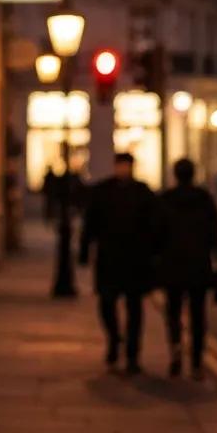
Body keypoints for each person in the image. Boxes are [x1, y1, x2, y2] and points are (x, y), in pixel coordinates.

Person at [81, 152, 157, 375]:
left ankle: (133, 354)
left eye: (127, 165)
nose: (123, 169)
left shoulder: (143, 192)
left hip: (135, 259)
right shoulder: (103, 191)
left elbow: (154, 226)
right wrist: (85, 251)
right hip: (109, 257)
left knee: (134, 308)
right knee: (107, 303)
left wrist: (153, 254)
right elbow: (90, 223)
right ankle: (114, 340)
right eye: (121, 165)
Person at [156, 158, 217, 380]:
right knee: (198, 315)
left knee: (173, 311)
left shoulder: (166, 199)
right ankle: (196, 361)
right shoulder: (204, 199)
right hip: (198, 264)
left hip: (173, 264)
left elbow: (156, 233)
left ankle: (176, 347)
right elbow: (214, 232)